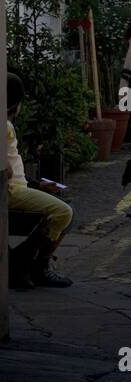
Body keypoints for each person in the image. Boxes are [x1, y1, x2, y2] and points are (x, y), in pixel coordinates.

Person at [6, 73, 74, 288]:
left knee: (64, 209)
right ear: (16, 104)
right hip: (11, 192)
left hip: (16, 188)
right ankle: (28, 264)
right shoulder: (5, 127)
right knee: (65, 212)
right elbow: (7, 171)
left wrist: (37, 184)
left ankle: (31, 264)